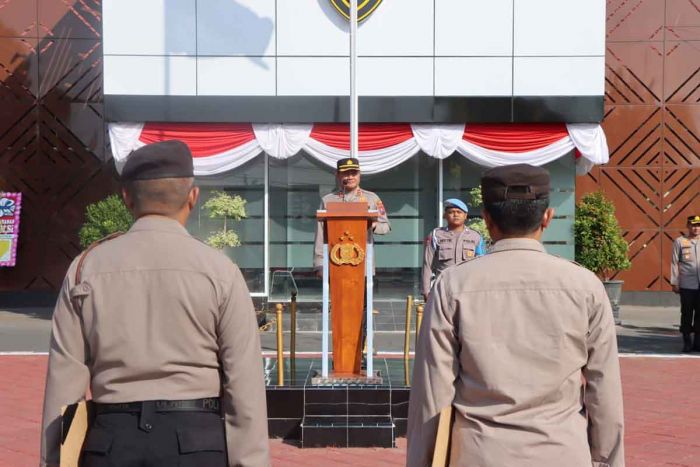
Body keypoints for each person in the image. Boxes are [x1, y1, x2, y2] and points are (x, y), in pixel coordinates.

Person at [40, 140, 270, 467]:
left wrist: (53, 461)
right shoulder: (220, 272)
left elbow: (63, 385)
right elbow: (244, 385)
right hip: (197, 443)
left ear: (126, 197)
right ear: (193, 197)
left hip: (110, 442)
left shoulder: (84, 269)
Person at [407, 164, 624, 467]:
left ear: (487, 219)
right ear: (547, 217)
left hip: (478, 453)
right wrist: (605, 461)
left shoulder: (453, 285)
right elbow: (604, 392)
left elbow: (432, 393)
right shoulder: (585, 286)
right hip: (561, 453)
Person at [313, 157, 391, 272]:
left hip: (363, 264)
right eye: (345, 174)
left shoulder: (372, 198)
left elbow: (386, 226)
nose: (350, 177)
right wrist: (319, 264)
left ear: (359, 175)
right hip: (335, 262)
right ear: (338, 175)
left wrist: (373, 225)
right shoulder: (328, 201)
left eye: (353, 173)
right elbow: (320, 234)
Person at [421, 198, 485, 301]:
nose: (455, 215)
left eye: (459, 212)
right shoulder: (436, 235)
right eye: (451, 212)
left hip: (467, 288)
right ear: (445, 215)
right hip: (443, 287)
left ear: (465, 216)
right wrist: (426, 290)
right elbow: (427, 264)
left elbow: (481, 265)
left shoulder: (475, 236)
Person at [670, 215, 700, 352]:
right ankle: (687, 341)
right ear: (688, 226)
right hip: (687, 285)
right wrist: (674, 282)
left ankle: (698, 343)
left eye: (698, 225)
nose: (696, 228)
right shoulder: (680, 242)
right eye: (693, 225)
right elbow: (674, 262)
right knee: (687, 314)